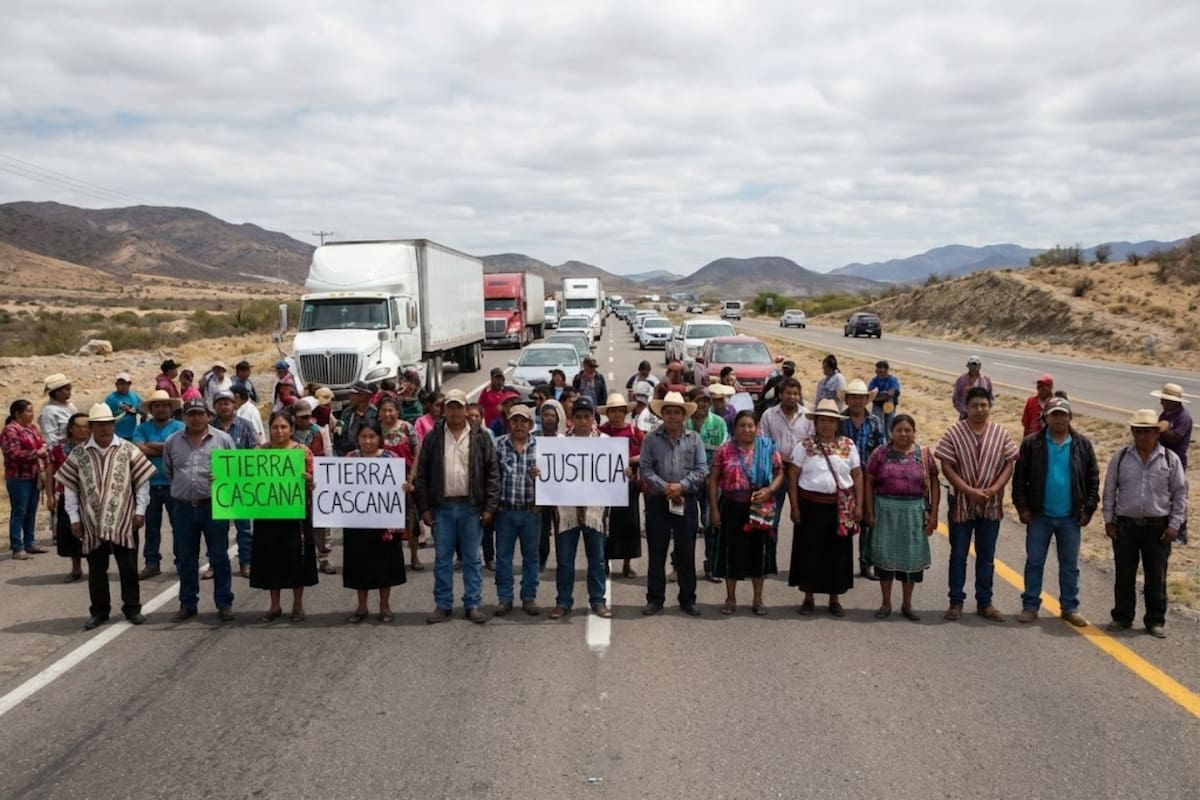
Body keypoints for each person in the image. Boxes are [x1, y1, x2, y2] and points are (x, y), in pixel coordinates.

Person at [56, 403, 156, 630]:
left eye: (108, 424)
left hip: (124, 518)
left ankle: (132, 608)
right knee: (96, 569)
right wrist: (74, 517)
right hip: (91, 520)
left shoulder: (128, 449)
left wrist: (140, 510)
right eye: (100, 425)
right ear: (91, 427)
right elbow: (70, 488)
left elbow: (142, 482)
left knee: (128, 567)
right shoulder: (79, 453)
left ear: (114, 425)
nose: (105, 429)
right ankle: (99, 611)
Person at [414, 388, 499, 624]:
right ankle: (443, 604)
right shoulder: (433, 438)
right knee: (443, 559)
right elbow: (422, 474)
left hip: (471, 508)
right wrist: (424, 509)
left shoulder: (481, 437)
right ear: (444, 410)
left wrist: (489, 507)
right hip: (442, 508)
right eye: (450, 407)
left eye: (458, 407)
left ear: (466, 409)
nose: (454, 412)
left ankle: (472, 604)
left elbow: (492, 472)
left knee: (472, 559)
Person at [1011, 398, 1099, 627]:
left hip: (1070, 516)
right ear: (1046, 418)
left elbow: (1093, 479)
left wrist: (1088, 509)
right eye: (1054, 414)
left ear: (1070, 417)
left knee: (1069, 565)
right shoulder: (1031, 444)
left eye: (1063, 414)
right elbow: (1019, 479)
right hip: (1039, 515)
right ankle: (1030, 605)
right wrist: (1022, 508)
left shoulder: (1082, 444)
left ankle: (1069, 607)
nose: (1059, 419)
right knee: (1035, 562)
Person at [1102, 409, 1188, 638]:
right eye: (1138, 431)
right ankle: (1122, 616)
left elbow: (1180, 494)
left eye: (1148, 431)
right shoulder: (1120, 457)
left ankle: (1155, 620)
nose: (1143, 436)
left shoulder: (1170, 459)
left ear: (1156, 433)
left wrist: (1175, 525)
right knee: (1124, 574)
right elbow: (1109, 490)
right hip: (1125, 527)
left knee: (1156, 576)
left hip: (1157, 528)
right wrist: (1109, 520)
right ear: (1132, 432)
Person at [936, 386, 1018, 622]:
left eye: (984, 405)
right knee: (958, 554)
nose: (980, 410)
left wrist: (994, 489)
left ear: (989, 407)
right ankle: (955, 601)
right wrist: (969, 491)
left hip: (990, 504)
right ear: (966, 407)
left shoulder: (1000, 433)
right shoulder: (954, 432)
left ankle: (985, 602)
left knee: (986, 556)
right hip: (962, 502)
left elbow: (1009, 464)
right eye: (975, 405)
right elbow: (946, 466)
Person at [163, 398, 236, 622]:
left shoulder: (223, 440)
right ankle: (188, 603)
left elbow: (234, 472)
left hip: (214, 508)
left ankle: (224, 603)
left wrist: (222, 480)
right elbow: (169, 472)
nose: (196, 418)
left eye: (200, 413)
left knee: (219, 557)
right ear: (184, 417)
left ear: (208, 415)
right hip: (183, 509)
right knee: (186, 558)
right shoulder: (172, 442)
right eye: (191, 414)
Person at [787, 399, 862, 616]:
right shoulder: (804, 446)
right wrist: (794, 506)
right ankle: (808, 597)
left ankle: (834, 598)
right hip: (810, 507)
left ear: (837, 423)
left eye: (830, 421)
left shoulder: (848, 445)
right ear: (816, 422)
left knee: (836, 554)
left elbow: (857, 475)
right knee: (809, 552)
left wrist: (859, 505)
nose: (826, 425)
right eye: (822, 420)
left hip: (839, 509)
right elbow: (793, 475)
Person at [863, 414, 939, 621]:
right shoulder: (880, 453)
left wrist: (933, 514)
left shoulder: (923, 454)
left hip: (913, 514)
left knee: (910, 560)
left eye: (908, 430)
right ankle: (885, 603)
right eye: (899, 430)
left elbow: (934, 482)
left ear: (914, 432)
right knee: (885, 559)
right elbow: (868, 480)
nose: (903, 434)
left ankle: (907, 604)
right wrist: (869, 510)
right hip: (885, 512)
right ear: (891, 432)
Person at [640, 391, 709, 616]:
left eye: (676, 412)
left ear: (684, 415)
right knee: (656, 553)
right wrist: (666, 488)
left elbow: (702, 469)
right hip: (658, 502)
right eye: (668, 412)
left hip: (685, 500)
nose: (672, 417)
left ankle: (688, 599)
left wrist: (681, 486)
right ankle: (655, 598)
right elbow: (645, 469)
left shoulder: (694, 439)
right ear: (662, 415)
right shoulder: (651, 439)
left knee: (686, 553)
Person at [708, 410, 783, 615]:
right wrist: (714, 509)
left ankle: (758, 599)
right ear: (735, 428)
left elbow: (779, 473)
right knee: (730, 553)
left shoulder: (767, 448)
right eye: (742, 425)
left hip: (760, 506)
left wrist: (769, 490)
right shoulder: (724, 450)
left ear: (757, 427)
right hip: (731, 507)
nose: (747, 429)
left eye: (751, 425)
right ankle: (730, 598)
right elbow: (713, 479)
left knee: (759, 553)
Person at [248, 412, 317, 622]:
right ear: (269, 429)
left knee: (296, 557)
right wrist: (220, 479)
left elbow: (316, 484)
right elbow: (246, 480)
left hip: (295, 516)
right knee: (270, 557)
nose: (279, 431)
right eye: (275, 427)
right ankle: (274, 605)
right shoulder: (259, 452)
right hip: (267, 515)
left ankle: (298, 605)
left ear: (291, 429)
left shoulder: (302, 452)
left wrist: (310, 481)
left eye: (284, 427)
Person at [549, 397, 613, 619]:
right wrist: (542, 472)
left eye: (587, 416)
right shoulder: (559, 443)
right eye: (578, 417)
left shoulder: (605, 442)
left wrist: (621, 472)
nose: (583, 421)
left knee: (597, 560)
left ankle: (598, 601)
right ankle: (563, 602)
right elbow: (552, 472)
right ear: (572, 419)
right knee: (565, 560)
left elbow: (613, 472)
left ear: (593, 418)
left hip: (595, 511)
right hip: (567, 511)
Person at [342, 421, 409, 623]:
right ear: (358, 438)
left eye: (372, 436)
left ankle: (384, 606)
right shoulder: (350, 458)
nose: (368, 441)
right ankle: (361, 606)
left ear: (379, 438)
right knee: (358, 564)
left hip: (384, 522)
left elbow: (400, 485)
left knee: (384, 564)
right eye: (363, 437)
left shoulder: (391, 458)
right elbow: (338, 486)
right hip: (357, 521)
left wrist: (405, 487)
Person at [493, 404, 542, 616]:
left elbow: (553, 477)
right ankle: (505, 598)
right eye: (515, 421)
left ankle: (528, 597)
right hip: (505, 511)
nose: (519, 425)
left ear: (530, 424)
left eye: (524, 421)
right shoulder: (498, 445)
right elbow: (491, 476)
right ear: (509, 423)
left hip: (531, 511)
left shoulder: (541, 447)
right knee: (504, 558)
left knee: (531, 557)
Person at [131, 390, 184, 578]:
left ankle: (181, 561)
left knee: (179, 526)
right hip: (149, 484)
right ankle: (151, 563)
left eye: (164, 405)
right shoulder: (142, 428)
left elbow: (179, 449)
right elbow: (139, 449)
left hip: (174, 484)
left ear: (170, 408)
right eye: (157, 406)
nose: (161, 409)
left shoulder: (180, 427)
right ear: (151, 409)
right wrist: (166, 448)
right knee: (151, 527)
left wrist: (152, 445)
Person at [839, 379, 886, 581]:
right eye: (853, 397)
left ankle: (866, 564)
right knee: (843, 521)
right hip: (843, 479)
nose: (857, 401)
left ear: (866, 400)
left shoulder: (875, 422)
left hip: (868, 479)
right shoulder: (840, 421)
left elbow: (882, 451)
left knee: (868, 521)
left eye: (861, 398)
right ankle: (842, 564)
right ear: (847, 400)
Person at [211, 389, 258, 579]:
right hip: (217, 486)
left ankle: (246, 562)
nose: (224, 406)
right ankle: (215, 565)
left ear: (234, 405)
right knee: (217, 530)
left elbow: (255, 449)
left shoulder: (245, 425)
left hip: (241, 485)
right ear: (214, 406)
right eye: (220, 403)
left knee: (244, 528)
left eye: (227, 402)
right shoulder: (208, 427)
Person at [759, 377, 814, 540]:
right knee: (771, 518)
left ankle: (800, 555)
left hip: (801, 472)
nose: (792, 397)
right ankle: (770, 555)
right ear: (780, 395)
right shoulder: (769, 415)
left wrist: (797, 460)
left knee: (802, 516)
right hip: (776, 471)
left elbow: (811, 442)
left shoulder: (808, 416)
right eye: (788, 393)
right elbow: (763, 442)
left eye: (795, 393)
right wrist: (779, 458)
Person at [598, 393, 643, 579]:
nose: (616, 415)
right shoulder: (600, 432)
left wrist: (629, 461)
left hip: (629, 485)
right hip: (605, 485)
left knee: (629, 524)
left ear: (625, 413)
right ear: (607, 413)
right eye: (613, 411)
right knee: (606, 523)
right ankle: (604, 561)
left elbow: (645, 454)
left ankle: (627, 563)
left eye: (620, 411)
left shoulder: (635, 432)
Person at [291, 398, 337, 576]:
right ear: (294, 417)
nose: (306, 420)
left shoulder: (318, 432)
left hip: (317, 481)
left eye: (308, 416)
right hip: (293, 485)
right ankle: (302, 557)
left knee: (321, 523)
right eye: (302, 417)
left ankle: (324, 558)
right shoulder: (288, 432)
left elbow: (327, 455)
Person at [687, 386, 728, 583]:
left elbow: (723, 451)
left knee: (711, 522)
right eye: (698, 400)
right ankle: (679, 567)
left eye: (705, 400)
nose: (702, 404)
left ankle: (712, 566)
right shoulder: (683, 422)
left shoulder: (719, 423)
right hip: (686, 480)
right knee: (685, 525)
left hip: (713, 479)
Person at [377, 396, 421, 572]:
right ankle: (390, 557)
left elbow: (417, 452)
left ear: (397, 411)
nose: (388, 413)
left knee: (411, 520)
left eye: (391, 410)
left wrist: (412, 477)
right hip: (382, 483)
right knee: (387, 522)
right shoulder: (376, 429)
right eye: (384, 410)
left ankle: (414, 556)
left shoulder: (406, 427)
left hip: (406, 481)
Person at [46, 412, 90, 582]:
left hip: (91, 496)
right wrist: (50, 495)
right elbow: (50, 471)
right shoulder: (60, 447)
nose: (82, 430)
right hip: (67, 495)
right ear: (71, 428)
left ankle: (96, 567)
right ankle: (76, 569)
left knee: (93, 532)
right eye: (78, 426)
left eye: (86, 426)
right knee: (71, 533)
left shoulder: (95, 446)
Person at [3, 399, 48, 559]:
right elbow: (13, 453)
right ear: (18, 414)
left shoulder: (31, 428)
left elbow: (41, 442)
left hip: (34, 475)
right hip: (18, 477)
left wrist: (43, 449)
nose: (31, 414)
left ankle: (30, 542)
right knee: (19, 511)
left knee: (31, 510)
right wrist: (37, 453)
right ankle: (17, 546)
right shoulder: (10, 430)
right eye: (28, 411)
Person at [1152, 382, 1192, 544]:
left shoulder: (1184, 418)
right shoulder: (1165, 415)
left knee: (1178, 495)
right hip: (1163, 459)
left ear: (1174, 402)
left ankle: (1181, 531)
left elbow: (1176, 437)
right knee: (1163, 494)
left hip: (1177, 461)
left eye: (1166, 400)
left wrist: (1161, 430)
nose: (1162, 402)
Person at [535, 398, 565, 570]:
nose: (548, 418)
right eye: (545, 415)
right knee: (542, 529)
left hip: (559, 492)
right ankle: (541, 559)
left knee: (561, 529)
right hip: (541, 491)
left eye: (552, 415)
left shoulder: (563, 440)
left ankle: (562, 561)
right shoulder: (534, 438)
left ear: (557, 418)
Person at [335, 381, 377, 455]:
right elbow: (341, 432)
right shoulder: (347, 412)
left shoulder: (375, 413)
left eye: (354, 394)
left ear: (364, 396)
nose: (350, 397)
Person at [39, 373, 77, 448]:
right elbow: (50, 437)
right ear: (57, 392)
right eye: (67, 389)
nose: (70, 391)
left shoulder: (69, 406)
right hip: (62, 449)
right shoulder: (49, 411)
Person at [952, 356, 993, 420]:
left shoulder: (986, 379)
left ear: (980, 366)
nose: (973, 368)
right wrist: (964, 410)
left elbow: (990, 397)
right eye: (971, 365)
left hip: (981, 415)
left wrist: (985, 409)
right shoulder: (961, 379)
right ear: (968, 366)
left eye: (976, 365)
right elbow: (956, 397)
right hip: (965, 415)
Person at [104, 372, 142, 441]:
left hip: (132, 434)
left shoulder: (134, 396)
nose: (124, 386)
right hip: (116, 435)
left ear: (129, 384)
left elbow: (142, 409)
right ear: (116, 384)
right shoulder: (111, 398)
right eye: (121, 384)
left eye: (127, 383)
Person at [868, 360, 900, 438]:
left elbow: (892, 392)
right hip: (877, 405)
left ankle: (889, 441)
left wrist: (880, 395)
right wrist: (884, 395)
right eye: (877, 372)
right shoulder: (874, 381)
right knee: (878, 425)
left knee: (889, 426)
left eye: (881, 372)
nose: (879, 374)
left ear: (886, 371)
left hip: (889, 405)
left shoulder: (892, 380)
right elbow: (870, 393)